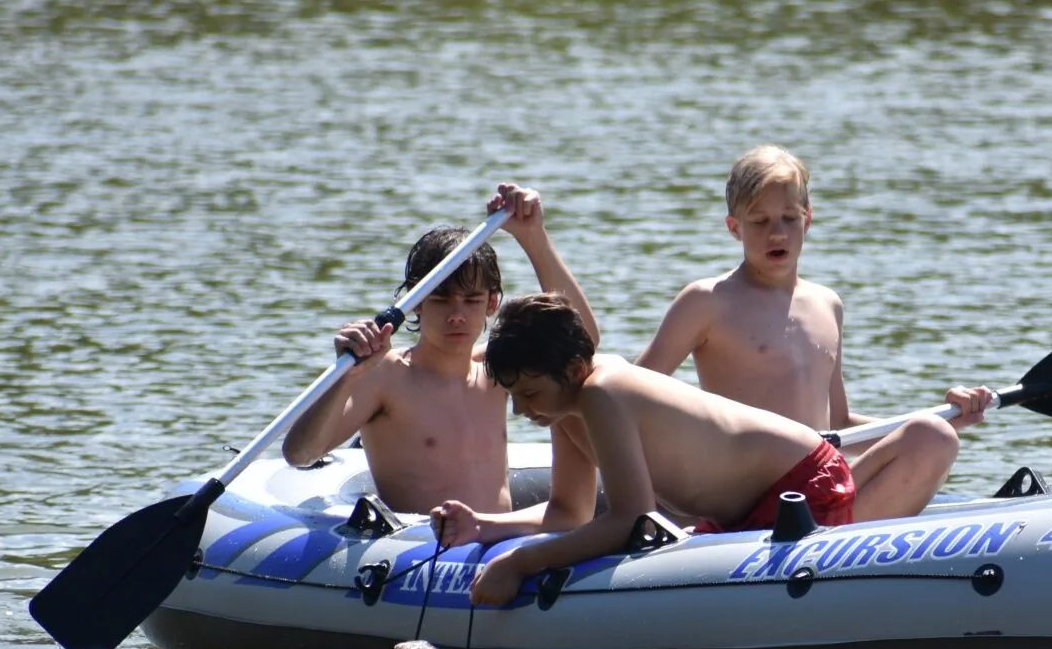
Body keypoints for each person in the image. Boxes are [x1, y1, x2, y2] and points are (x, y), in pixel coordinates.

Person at [632, 145, 994, 522]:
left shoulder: (827, 303)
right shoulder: (706, 301)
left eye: (788, 218)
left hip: (820, 490)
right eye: (760, 221)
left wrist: (946, 417)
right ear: (734, 228)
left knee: (933, 437)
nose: (777, 233)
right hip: (750, 503)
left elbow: (839, 424)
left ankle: (835, 543)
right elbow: (627, 399)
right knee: (931, 434)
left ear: (807, 220)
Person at [433, 293, 858, 606]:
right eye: (513, 397)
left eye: (529, 393)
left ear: (575, 369)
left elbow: (633, 518)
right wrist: (484, 525)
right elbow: (569, 512)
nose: (522, 410)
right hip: (736, 515)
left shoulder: (601, 393)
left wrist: (521, 563)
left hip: (802, 483)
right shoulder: (562, 406)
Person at [280, 183, 598, 514]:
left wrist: (533, 237)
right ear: (416, 302)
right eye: (441, 299)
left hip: (501, 538)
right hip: (424, 543)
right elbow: (300, 455)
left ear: (491, 304)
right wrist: (347, 376)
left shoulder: (495, 370)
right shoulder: (386, 376)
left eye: (471, 300)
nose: (457, 315)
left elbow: (583, 339)